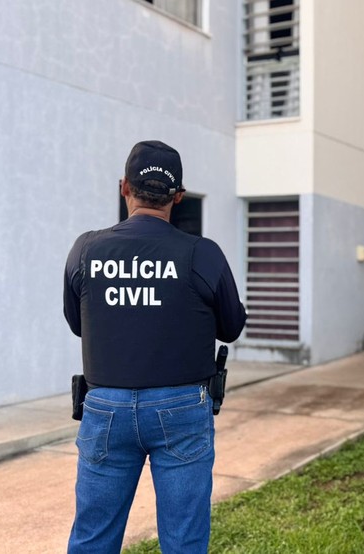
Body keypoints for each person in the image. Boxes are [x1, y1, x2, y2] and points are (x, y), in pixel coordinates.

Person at [63, 140, 247, 553]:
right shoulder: (203, 254)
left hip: (104, 407)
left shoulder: (86, 249)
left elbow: (79, 325)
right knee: (183, 541)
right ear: (178, 197)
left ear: (124, 187)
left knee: (93, 537)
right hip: (182, 410)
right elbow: (232, 327)